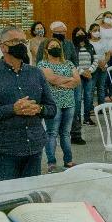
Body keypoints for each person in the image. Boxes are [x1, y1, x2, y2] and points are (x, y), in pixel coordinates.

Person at [0, 26, 56, 181]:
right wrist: (12, 109)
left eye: (23, 41)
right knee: (8, 198)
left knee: (30, 197)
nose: (21, 45)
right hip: (3, 150)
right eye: (15, 41)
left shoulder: (35, 73)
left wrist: (38, 108)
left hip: (34, 147)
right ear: (2, 46)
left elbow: (51, 109)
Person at [38, 37, 79, 171]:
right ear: (46, 49)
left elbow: (77, 81)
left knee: (66, 133)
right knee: (52, 133)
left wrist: (60, 82)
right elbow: (51, 78)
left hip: (69, 102)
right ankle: (51, 162)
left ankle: (68, 160)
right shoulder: (43, 64)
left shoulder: (68, 63)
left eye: (57, 46)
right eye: (52, 46)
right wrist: (68, 80)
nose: (55, 48)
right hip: (53, 103)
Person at [70, 25, 97, 133]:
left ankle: (87, 118)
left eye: (82, 34)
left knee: (88, 96)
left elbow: (95, 60)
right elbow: (72, 62)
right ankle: (77, 120)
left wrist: (89, 71)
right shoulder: (72, 47)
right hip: (77, 75)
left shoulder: (90, 46)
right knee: (77, 98)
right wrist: (82, 72)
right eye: (78, 34)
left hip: (89, 74)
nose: (81, 36)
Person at [88, 22, 112, 106]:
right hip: (92, 67)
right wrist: (97, 64)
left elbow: (108, 54)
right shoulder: (88, 43)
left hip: (103, 67)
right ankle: (90, 107)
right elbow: (89, 56)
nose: (97, 32)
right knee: (91, 88)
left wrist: (104, 62)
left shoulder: (103, 41)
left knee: (101, 88)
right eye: (95, 30)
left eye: (98, 30)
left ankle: (102, 106)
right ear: (90, 31)